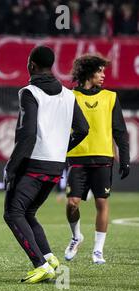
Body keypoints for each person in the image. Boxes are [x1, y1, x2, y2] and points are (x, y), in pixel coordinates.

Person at [3, 46, 89, 283]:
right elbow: (83, 129)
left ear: (31, 65)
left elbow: (27, 134)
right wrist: (61, 149)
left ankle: (40, 265)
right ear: (51, 66)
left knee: (13, 213)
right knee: (29, 212)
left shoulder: (29, 92)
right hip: (55, 166)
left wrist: (11, 167)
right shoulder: (68, 95)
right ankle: (49, 257)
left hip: (33, 164)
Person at [64, 55, 130, 264]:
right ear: (88, 73)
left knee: (102, 202)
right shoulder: (69, 96)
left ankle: (98, 250)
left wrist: (125, 157)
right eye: (100, 71)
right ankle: (76, 237)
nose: (103, 75)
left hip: (103, 157)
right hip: (76, 157)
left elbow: (120, 130)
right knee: (72, 203)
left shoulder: (110, 97)